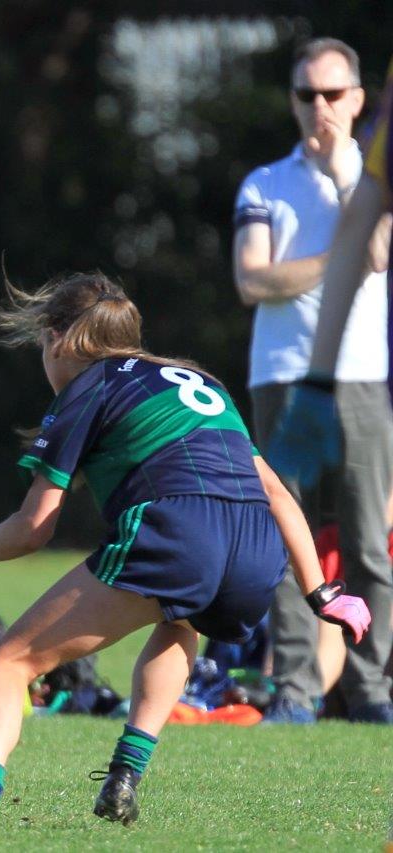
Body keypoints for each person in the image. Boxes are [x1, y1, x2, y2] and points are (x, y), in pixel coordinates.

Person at [0, 273, 371, 832]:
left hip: (180, 529)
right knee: (179, 620)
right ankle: (126, 774)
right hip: (254, 548)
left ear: (56, 338)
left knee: (10, 661)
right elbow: (277, 495)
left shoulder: (91, 384)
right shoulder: (200, 383)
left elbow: (34, 528)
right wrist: (322, 593)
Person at [237, 39, 393, 724]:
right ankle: (296, 687)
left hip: (361, 378)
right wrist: (340, 258)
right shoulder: (264, 183)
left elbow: (381, 254)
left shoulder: (375, 173)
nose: (321, 108)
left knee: (365, 543)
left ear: (359, 98)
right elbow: (252, 279)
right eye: (308, 95)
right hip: (280, 377)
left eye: (333, 94)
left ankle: (370, 688)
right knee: (283, 542)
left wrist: (343, 176)